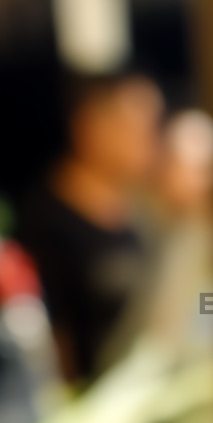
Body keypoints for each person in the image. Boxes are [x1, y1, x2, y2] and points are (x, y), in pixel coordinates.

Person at [16, 72, 164, 384]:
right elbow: (48, 343)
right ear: (89, 127)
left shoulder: (145, 209)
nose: (151, 139)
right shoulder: (45, 224)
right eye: (137, 127)